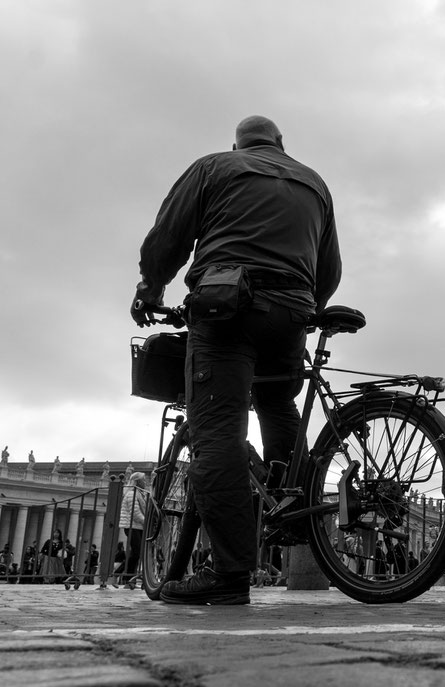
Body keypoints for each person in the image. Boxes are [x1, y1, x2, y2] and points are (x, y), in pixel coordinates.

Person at [132, 116, 342, 605]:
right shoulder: (316, 183)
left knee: (218, 432)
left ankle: (228, 573)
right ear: (281, 144)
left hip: (226, 309)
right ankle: (292, 504)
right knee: (278, 402)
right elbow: (327, 270)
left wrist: (150, 287)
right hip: (293, 309)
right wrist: (302, 305)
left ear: (237, 144)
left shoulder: (214, 167)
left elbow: (168, 239)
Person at [119, 472, 147, 587]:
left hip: (137, 526)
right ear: (137, 481)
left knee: (136, 552)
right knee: (137, 552)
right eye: (143, 480)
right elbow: (135, 513)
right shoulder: (132, 494)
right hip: (132, 526)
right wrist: (146, 522)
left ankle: (129, 579)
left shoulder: (140, 494)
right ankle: (122, 574)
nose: (146, 482)